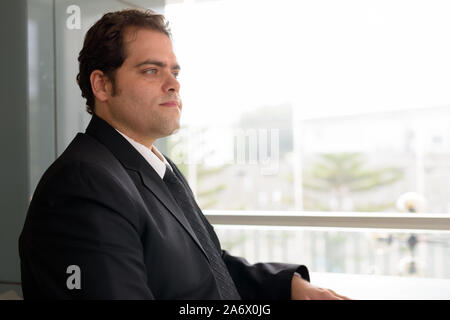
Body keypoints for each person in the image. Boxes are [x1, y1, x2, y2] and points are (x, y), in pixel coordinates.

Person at [19, 9, 349, 300]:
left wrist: (289, 286)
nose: (173, 84)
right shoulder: (84, 183)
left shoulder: (155, 166)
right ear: (102, 86)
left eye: (174, 72)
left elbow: (210, 266)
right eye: (151, 70)